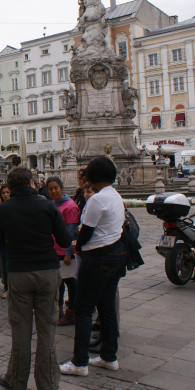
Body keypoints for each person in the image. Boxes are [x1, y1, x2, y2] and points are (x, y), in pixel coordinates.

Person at [0, 166, 71, 390]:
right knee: (47, 330)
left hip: (18, 273)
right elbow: (65, 239)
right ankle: (47, 385)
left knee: (20, 330)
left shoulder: (3, 209)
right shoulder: (47, 206)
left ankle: (16, 380)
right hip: (47, 271)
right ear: (30, 184)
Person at [60, 157, 127, 377]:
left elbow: (86, 232)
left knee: (83, 309)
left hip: (96, 258)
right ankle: (109, 356)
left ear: (93, 176)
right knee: (107, 307)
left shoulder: (96, 200)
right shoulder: (115, 196)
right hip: (115, 253)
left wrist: (77, 243)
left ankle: (80, 362)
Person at [46, 176, 80, 326]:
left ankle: (71, 311)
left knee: (70, 282)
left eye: (56, 188)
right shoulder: (52, 204)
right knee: (57, 282)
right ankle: (58, 309)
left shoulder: (70, 206)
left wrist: (68, 252)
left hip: (65, 251)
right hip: (54, 250)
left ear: (61, 188)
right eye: (50, 189)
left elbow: (71, 231)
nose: (53, 191)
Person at [0, 184, 11, 299]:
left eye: (8, 192)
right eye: (3, 193)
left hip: (13, 240)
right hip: (4, 241)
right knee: (5, 265)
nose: (6, 194)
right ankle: (7, 288)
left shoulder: (15, 205)